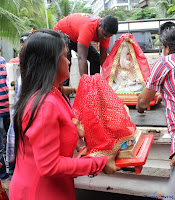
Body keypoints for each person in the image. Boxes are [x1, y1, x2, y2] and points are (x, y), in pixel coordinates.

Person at [9, 29, 120, 200]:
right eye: (64, 56)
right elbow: (50, 166)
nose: (68, 62)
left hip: (53, 187)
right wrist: (99, 162)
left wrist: (85, 154)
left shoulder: (54, 93)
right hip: (40, 192)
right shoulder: (45, 104)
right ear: (48, 63)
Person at [136, 26, 175, 174]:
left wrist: (140, 107)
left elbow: (143, 101)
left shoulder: (164, 62)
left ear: (166, 47)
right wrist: (164, 92)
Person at [53, 13, 118, 85]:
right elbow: (81, 58)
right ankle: (63, 94)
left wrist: (111, 77)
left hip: (76, 35)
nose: (105, 38)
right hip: (61, 33)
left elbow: (103, 57)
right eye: (104, 34)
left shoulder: (106, 33)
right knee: (65, 63)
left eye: (109, 36)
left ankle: (95, 86)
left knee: (96, 58)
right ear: (99, 26)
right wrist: (86, 83)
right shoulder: (88, 28)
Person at [0, 51, 10, 189]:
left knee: (9, 141)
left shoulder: (2, 60)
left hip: (8, 108)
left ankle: (10, 171)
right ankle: (3, 176)